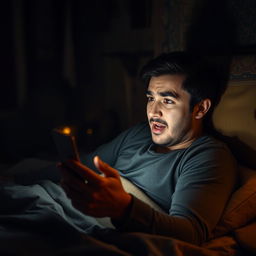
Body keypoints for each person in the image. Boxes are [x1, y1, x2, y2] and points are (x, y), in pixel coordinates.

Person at [59, 52, 238, 245]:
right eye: (150, 98)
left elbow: (190, 232)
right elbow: (85, 165)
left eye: (167, 101)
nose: (153, 112)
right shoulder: (138, 133)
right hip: (57, 202)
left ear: (200, 108)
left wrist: (124, 208)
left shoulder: (208, 156)